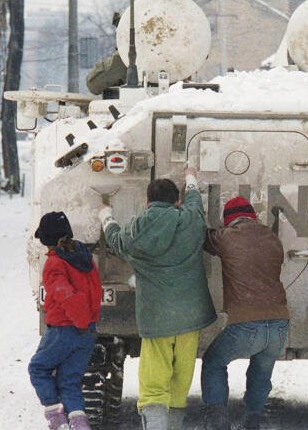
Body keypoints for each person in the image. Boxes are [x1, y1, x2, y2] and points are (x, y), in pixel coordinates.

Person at [99, 167, 217, 430]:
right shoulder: (190, 220)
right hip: (190, 317)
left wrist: (106, 217)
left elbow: (117, 241)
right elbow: (196, 203)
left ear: (147, 202)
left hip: (156, 318)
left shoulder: (138, 229)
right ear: (177, 201)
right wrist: (190, 177)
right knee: (181, 379)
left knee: (154, 382)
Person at [201, 196, 290, 430]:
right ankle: (252, 421)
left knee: (213, 362)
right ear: (253, 216)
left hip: (246, 324)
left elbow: (202, 238)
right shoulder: (272, 238)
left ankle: (218, 422)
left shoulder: (227, 237)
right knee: (261, 372)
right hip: (280, 323)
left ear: (228, 220)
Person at [28, 211, 103, 430]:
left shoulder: (55, 263)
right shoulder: (85, 258)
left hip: (64, 329)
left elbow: (66, 295)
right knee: (69, 382)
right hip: (87, 332)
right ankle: (79, 425)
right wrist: (86, 324)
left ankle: (57, 419)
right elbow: (95, 292)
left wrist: (79, 321)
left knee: (38, 368)